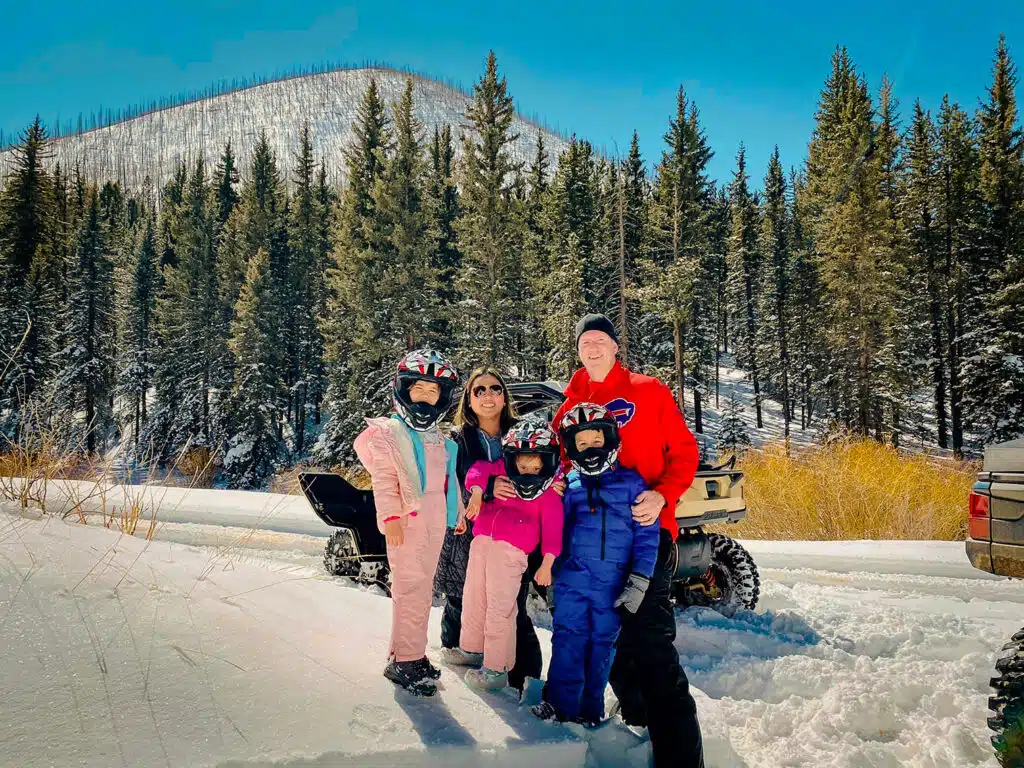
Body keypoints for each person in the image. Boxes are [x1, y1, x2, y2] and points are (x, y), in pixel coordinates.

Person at [551, 314, 705, 768]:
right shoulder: (569, 404)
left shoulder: (648, 390)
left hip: (645, 533)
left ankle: (681, 758)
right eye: (585, 341)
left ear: (616, 346)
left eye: (601, 339)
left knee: (651, 643)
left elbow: (685, 452)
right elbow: (557, 464)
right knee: (608, 635)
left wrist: (662, 495)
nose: (593, 347)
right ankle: (637, 726)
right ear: (578, 349)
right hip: (589, 547)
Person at [532, 402, 660, 726]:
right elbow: (555, 530)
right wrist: (551, 570)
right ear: (571, 446)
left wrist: (639, 580)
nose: (590, 448)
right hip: (572, 582)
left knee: (602, 649)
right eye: (582, 443)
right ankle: (560, 707)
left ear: (610, 440)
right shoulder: (569, 485)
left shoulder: (632, 484)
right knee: (567, 642)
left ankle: (590, 713)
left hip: (612, 586)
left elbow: (647, 536)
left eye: (596, 441)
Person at [352, 349, 465, 697]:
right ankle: (406, 660)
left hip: (433, 522)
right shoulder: (390, 434)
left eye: (434, 392)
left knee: (422, 589)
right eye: (420, 389)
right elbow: (385, 481)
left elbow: (449, 482)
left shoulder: (438, 440)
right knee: (411, 590)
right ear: (404, 390)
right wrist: (390, 519)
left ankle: (407, 653)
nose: (426, 397)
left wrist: (456, 514)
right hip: (407, 520)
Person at [433, 367, 548, 693]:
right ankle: (465, 700)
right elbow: (444, 487)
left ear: (504, 396)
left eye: (494, 388)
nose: (487, 395)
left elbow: (546, 470)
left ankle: (525, 687)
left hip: (511, 540)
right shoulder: (454, 440)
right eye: (478, 389)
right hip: (465, 538)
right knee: (461, 605)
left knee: (513, 612)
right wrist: (481, 491)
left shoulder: (523, 436)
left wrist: (555, 487)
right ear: (469, 399)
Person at [444, 419, 564, 691]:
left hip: (511, 553)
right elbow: (477, 469)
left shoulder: (549, 492)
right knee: (474, 599)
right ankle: (472, 649)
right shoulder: (501, 471)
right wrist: (477, 492)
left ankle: (497, 668)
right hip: (481, 543)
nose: (528, 471)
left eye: (536, 466)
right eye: (522, 465)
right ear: (512, 459)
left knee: (501, 609)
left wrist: (547, 563)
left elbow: (554, 530)